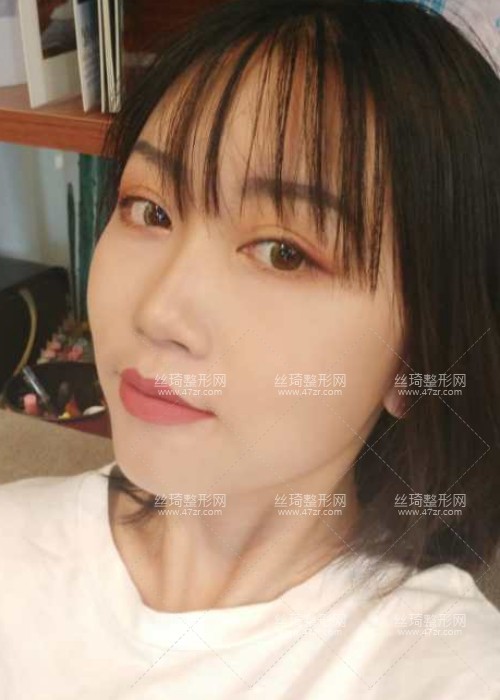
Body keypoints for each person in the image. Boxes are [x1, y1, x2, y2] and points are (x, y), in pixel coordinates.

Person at [1, 0, 500, 697]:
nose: (158, 312)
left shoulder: (444, 669)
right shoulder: (15, 540)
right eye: (150, 209)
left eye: (283, 253)